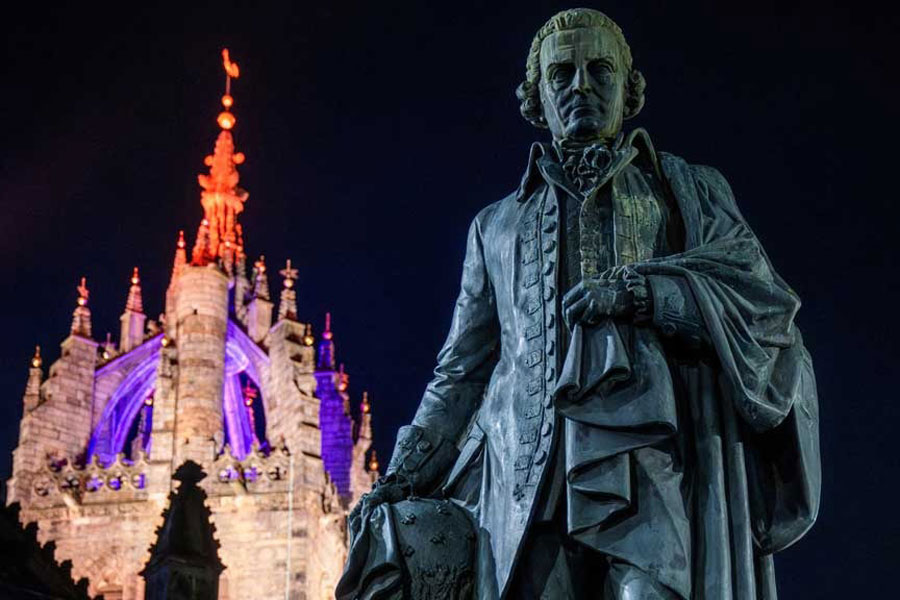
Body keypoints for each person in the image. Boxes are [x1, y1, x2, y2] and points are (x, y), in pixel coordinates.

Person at [340, 8, 820, 599]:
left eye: (599, 70)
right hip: (526, 485)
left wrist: (648, 293)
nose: (581, 87)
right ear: (536, 97)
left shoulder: (686, 190)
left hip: (656, 470)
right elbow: (462, 370)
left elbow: (762, 306)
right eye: (561, 74)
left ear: (629, 88)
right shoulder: (496, 226)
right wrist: (402, 473)